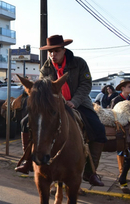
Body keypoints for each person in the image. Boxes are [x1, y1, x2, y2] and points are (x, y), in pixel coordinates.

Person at [16, 35, 107, 187]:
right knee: (25, 122)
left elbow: (86, 85)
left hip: (79, 103)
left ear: (64, 50)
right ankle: (27, 160)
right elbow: (42, 88)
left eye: (56, 51)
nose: (53, 55)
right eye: (50, 52)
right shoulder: (45, 67)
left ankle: (90, 172)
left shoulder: (79, 63)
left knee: (98, 129)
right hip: (54, 105)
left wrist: (74, 101)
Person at [110, 79, 130, 193]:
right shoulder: (116, 99)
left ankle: (123, 175)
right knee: (121, 152)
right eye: (129, 86)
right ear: (123, 88)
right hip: (121, 130)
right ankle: (121, 174)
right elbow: (113, 114)